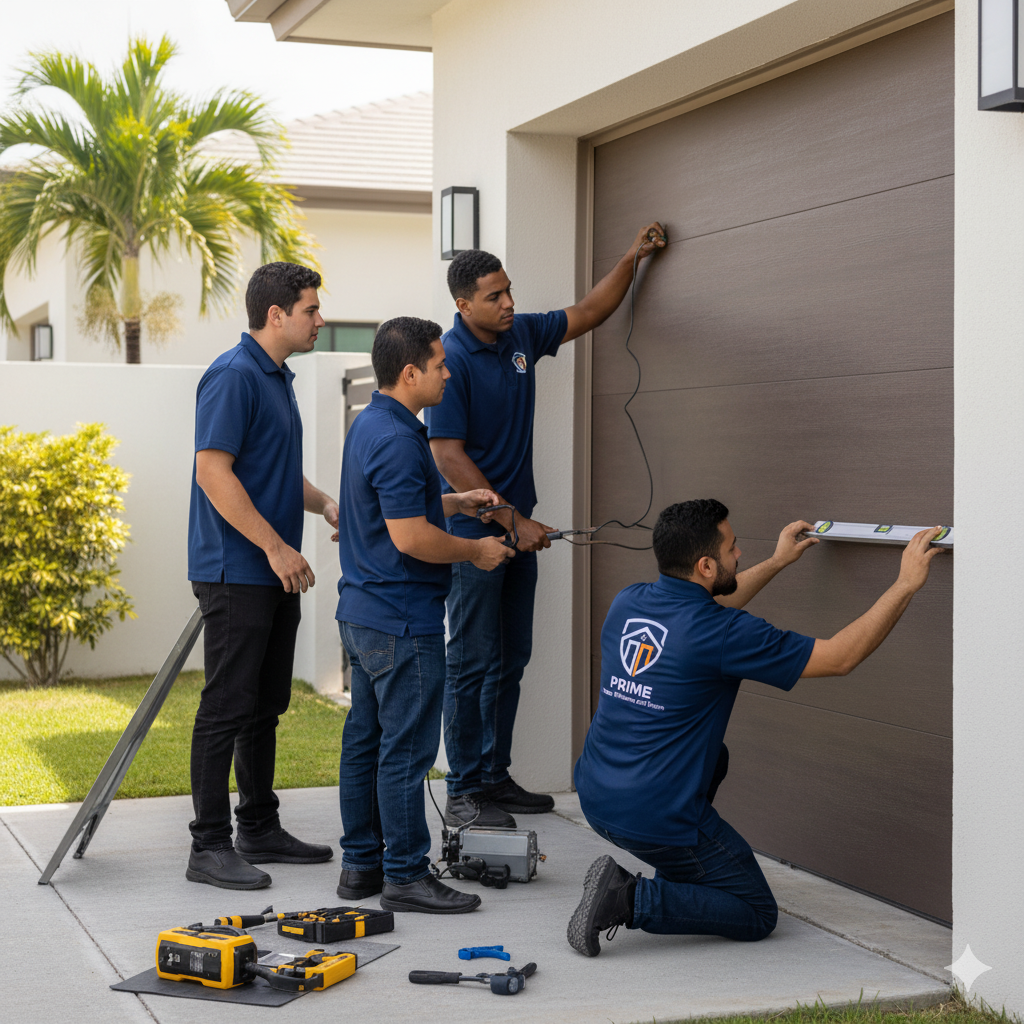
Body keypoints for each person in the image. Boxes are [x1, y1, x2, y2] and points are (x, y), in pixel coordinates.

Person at [567, 499, 945, 956]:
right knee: (755, 911)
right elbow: (839, 657)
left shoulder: (629, 602)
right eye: (733, 548)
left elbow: (709, 603)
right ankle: (629, 897)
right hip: (651, 815)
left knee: (715, 756)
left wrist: (780, 561)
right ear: (706, 565)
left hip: (596, 795)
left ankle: (678, 869)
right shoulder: (722, 633)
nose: (739, 554)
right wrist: (905, 584)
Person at [425, 222, 667, 829]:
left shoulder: (522, 333)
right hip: (480, 536)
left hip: (517, 531)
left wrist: (631, 258)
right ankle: (463, 788)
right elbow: (447, 456)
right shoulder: (450, 361)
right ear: (463, 304)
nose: (508, 303)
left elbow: (589, 310)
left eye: (509, 291)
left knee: (512, 657)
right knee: (473, 660)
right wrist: (510, 520)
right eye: (494, 296)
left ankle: (494, 776)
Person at [334, 316, 514, 914]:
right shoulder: (397, 436)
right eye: (439, 364)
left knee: (366, 742)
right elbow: (410, 537)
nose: (448, 370)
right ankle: (406, 876)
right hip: (401, 621)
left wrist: (455, 501)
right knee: (405, 753)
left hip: (363, 615)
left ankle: (361, 865)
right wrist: (475, 549)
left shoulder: (373, 424)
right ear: (409, 373)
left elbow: (399, 503)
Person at [186, 262, 340, 890]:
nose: (319, 320)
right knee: (225, 707)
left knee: (264, 706)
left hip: (271, 570)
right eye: (311, 309)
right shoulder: (232, 376)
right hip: (237, 569)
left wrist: (325, 503)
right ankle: (207, 847)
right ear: (276, 314)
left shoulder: (276, 378)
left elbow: (270, 471)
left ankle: (258, 826)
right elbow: (213, 473)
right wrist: (277, 549)